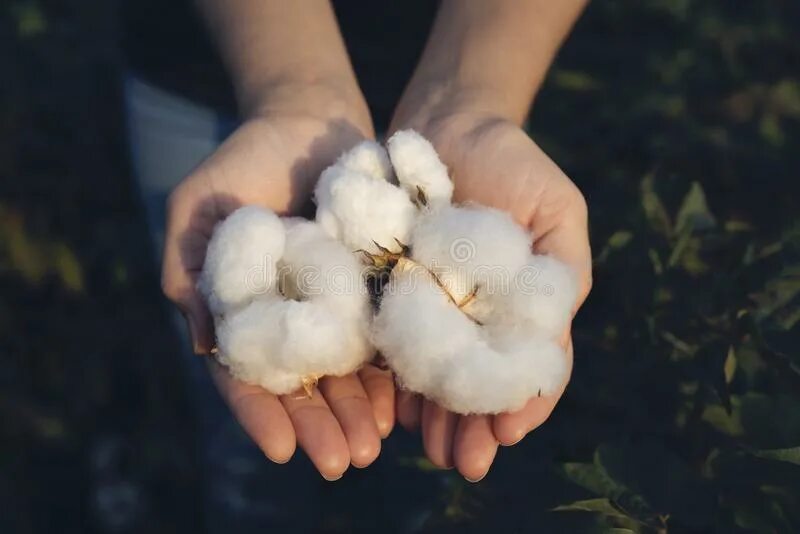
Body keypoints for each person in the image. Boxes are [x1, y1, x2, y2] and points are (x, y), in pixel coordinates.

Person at [127, 0, 591, 525]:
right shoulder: (357, 254)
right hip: (208, 67)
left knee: (418, 469)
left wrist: (473, 98)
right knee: (243, 436)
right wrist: (295, 91)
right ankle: (251, 502)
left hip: (478, 62)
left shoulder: (402, 254)